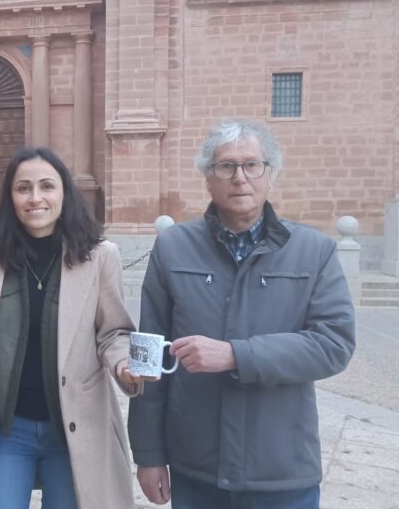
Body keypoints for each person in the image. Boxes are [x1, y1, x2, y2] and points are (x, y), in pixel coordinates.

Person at [128, 119, 356, 509]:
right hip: (197, 464)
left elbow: (333, 344)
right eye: (226, 166)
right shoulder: (172, 249)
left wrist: (237, 355)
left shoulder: (314, 251)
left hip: (281, 467)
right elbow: (148, 356)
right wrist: (148, 454)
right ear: (208, 178)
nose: (240, 178)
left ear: (271, 175)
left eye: (252, 165)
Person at [0, 147, 145, 509]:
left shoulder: (99, 256)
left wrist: (124, 365)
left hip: (74, 427)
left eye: (47, 186)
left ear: (64, 193)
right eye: (23, 188)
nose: (35, 198)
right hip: (7, 428)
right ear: (10, 196)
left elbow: (113, 332)